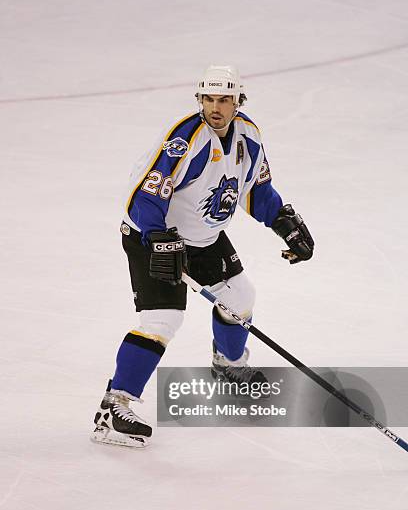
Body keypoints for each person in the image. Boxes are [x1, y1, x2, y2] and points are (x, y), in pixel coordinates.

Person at [91, 65, 314, 448]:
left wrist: (283, 223)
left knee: (240, 297)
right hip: (153, 236)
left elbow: (254, 191)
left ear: (238, 101)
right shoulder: (186, 140)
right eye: (208, 99)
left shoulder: (249, 137)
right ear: (199, 100)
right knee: (163, 319)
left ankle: (229, 369)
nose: (215, 107)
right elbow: (148, 192)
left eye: (224, 99)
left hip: (205, 238)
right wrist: (159, 237)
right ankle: (114, 406)